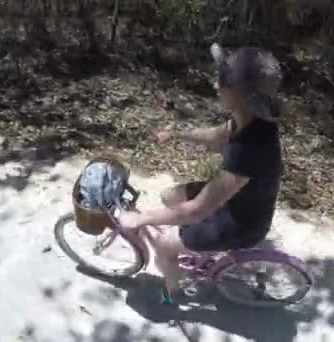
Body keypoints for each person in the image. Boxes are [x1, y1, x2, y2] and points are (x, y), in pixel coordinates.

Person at [118, 43, 284, 303]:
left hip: (242, 222)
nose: (217, 86)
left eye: (224, 82)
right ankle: (194, 247)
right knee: (170, 196)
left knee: (163, 245)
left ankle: (172, 296)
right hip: (236, 200)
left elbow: (198, 209)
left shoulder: (251, 149)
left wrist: (142, 219)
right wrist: (177, 133)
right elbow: (215, 137)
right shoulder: (248, 120)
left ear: (241, 94)